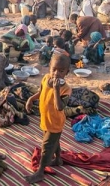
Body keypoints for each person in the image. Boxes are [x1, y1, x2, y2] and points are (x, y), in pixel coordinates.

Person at [24, 53, 71, 184]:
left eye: (61, 71)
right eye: (54, 69)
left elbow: (60, 107)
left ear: (67, 72)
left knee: (46, 146)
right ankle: (58, 159)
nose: (56, 73)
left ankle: (40, 171)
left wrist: (56, 90)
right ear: (49, 67)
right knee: (53, 141)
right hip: (45, 118)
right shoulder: (45, 78)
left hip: (55, 122)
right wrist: (31, 99)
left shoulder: (66, 89)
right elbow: (41, 91)